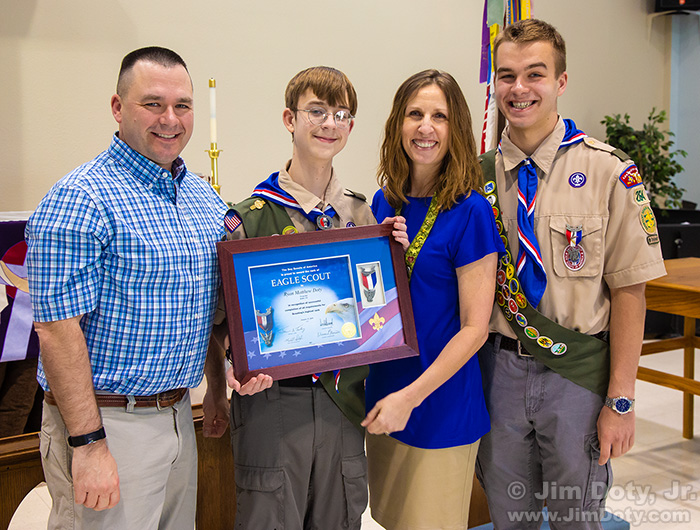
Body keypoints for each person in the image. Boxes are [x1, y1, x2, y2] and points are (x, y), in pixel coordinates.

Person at [25, 46, 228, 530]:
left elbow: (206, 309)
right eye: (152, 103)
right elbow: (56, 331)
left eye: (183, 105)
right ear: (117, 109)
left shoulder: (202, 197)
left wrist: (217, 386)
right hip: (108, 425)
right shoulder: (79, 198)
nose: (170, 119)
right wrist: (88, 444)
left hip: (179, 413)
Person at [475, 19, 667, 529]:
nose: (519, 89)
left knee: (575, 518)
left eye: (535, 74)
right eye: (507, 76)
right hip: (498, 375)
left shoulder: (609, 171)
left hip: (577, 377)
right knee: (507, 517)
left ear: (561, 81)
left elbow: (631, 292)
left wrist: (621, 400)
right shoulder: (474, 179)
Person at [204, 66, 407, 530]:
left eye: (341, 114)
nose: (329, 123)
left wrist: (396, 253)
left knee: (341, 517)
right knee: (270, 517)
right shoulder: (248, 217)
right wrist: (235, 364)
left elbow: (380, 310)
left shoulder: (366, 216)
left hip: (344, 400)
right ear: (289, 119)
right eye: (316, 111)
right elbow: (218, 320)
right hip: (274, 405)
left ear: (351, 127)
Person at [362, 69, 504, 530]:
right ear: (397, 124)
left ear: (456, 128)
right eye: (415, 113)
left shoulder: (471, 211)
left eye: (439, 116)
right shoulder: (384, 203)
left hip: (438, 405)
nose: (426, 127)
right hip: (385, 394)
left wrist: (411, 397)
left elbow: (475, 330)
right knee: (389, 519)